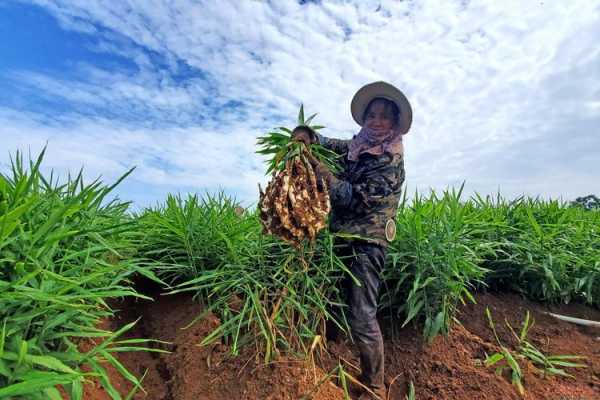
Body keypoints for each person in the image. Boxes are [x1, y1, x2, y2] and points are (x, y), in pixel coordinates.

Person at [292, 81, 412, 400]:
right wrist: (309, 136)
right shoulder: (361, 144)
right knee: (329, 299)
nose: (376, 120)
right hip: (342, 237)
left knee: (361, 313)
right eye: (371, 114)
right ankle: (328, 353)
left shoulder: (389, 160)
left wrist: (323, 174)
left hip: (367, 243)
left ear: (394, 123)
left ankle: (374, 385)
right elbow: (337, 145)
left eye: (384, 116)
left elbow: (354, 200)